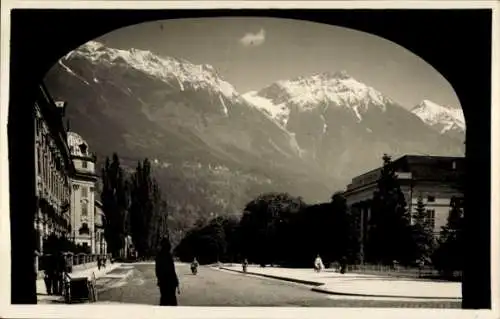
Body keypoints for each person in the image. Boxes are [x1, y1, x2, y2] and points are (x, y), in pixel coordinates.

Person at [155, 237, 180, 306]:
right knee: (172, 300)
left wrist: (159, 279)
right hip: (170, 281)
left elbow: (157, 270)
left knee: (164, 300)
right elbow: (172, 270)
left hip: (163, 281)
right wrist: (176, 280)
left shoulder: (159, 256)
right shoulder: (168, 256)